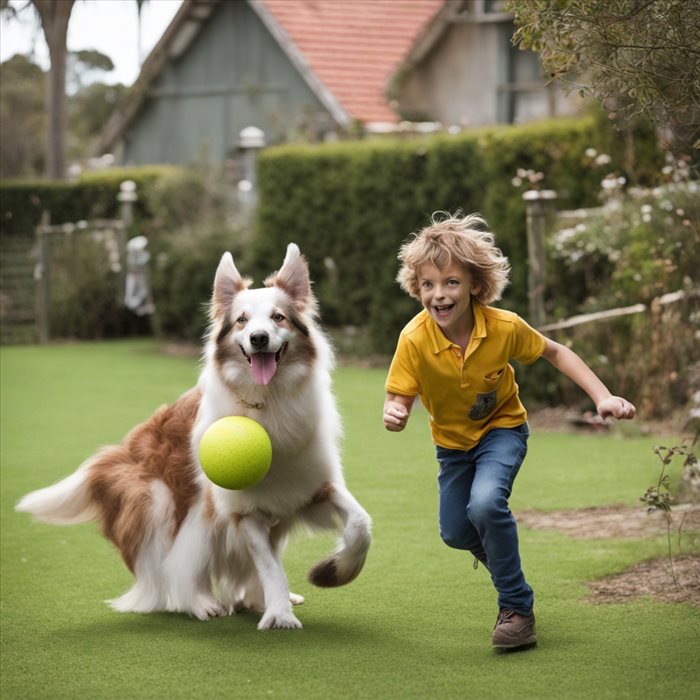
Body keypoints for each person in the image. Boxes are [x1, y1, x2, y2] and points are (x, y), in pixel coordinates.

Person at [383, 212, 635, 651]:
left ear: (476, 285)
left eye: (451, 283)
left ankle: (517, 608)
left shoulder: (503, 327)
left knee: (484, 506)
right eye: (428, 284)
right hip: (452, 447)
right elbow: (400, 392)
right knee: (455, 532)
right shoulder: (414, 338)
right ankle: (507, 571)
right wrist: (396, 410)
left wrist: (603, 396)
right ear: (416, 287)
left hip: (503, 429)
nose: (438, 295)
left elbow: (556, 353)